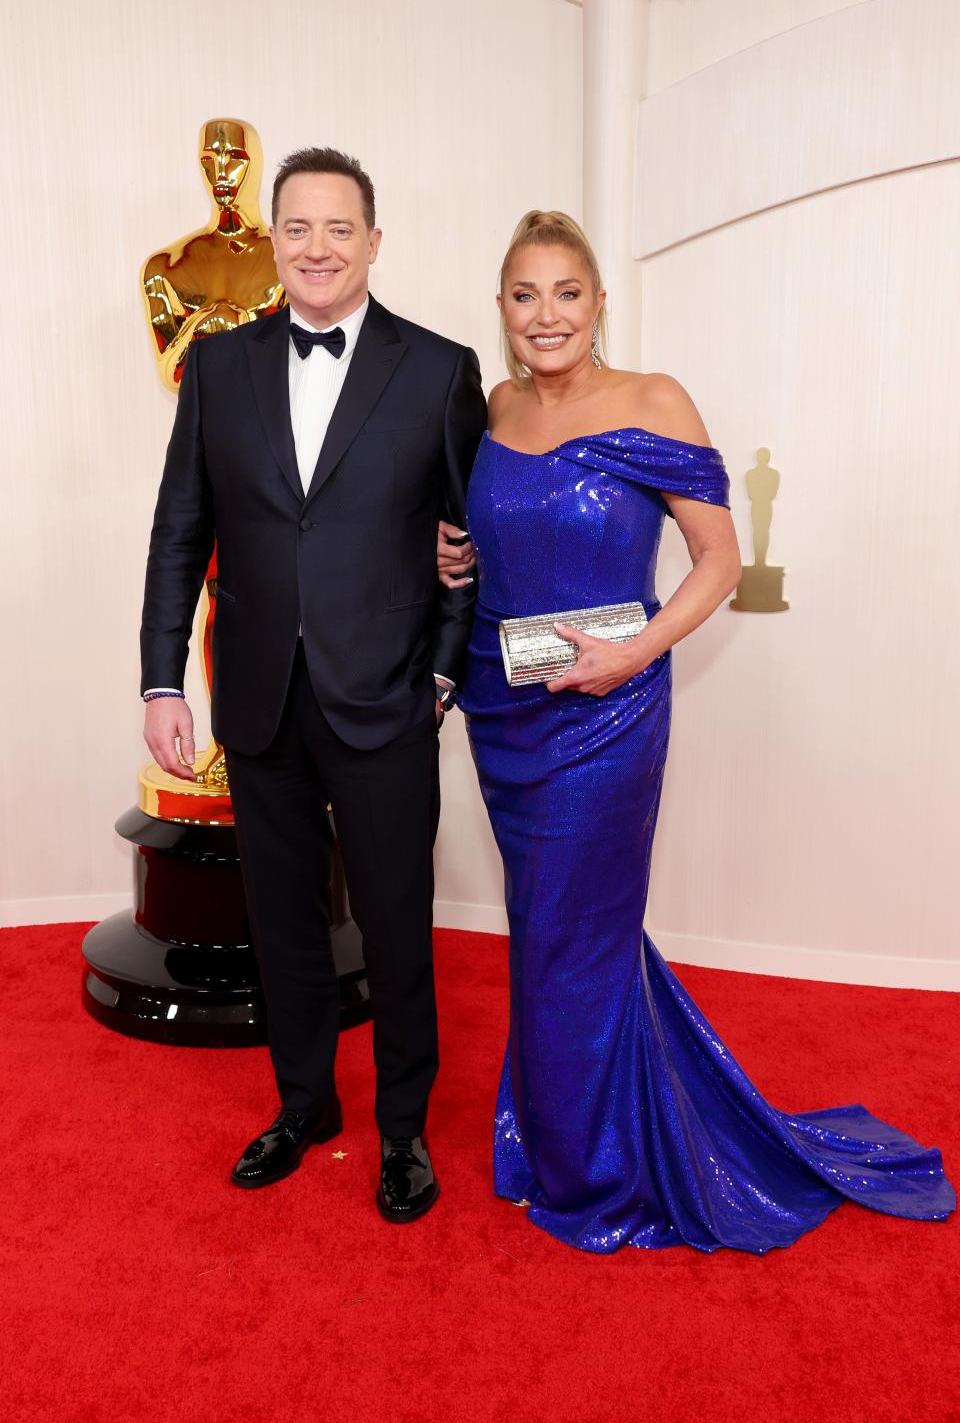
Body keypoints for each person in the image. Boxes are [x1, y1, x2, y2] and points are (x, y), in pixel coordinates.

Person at [437, 210, 955, 1254]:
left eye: (567, 293)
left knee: (577, 934)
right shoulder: (495, 407)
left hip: (609, 715)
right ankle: (555, 1137)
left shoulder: (654, 399)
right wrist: (464, 560)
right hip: (507, 706)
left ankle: (596, 1172)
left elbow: (716, 561)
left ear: (599, 303)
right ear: (502, 310)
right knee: (546, 929)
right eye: (527, 295)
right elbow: (508, 540)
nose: (548, 316)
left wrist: (637, 651)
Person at [141, 147, 486, 1223]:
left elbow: (471, 543)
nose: (318, 247)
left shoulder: (439, 369)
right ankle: (303, 1108)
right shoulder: (220, 369)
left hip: (386, 691)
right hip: (256, 694)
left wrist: (441, 671)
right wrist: (162, 679)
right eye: (299, 228)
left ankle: (401, 1131)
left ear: (374, 243)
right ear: (274, 243)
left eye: (340, 229)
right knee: (281, 922)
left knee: (392, 921)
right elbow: (178, 530)